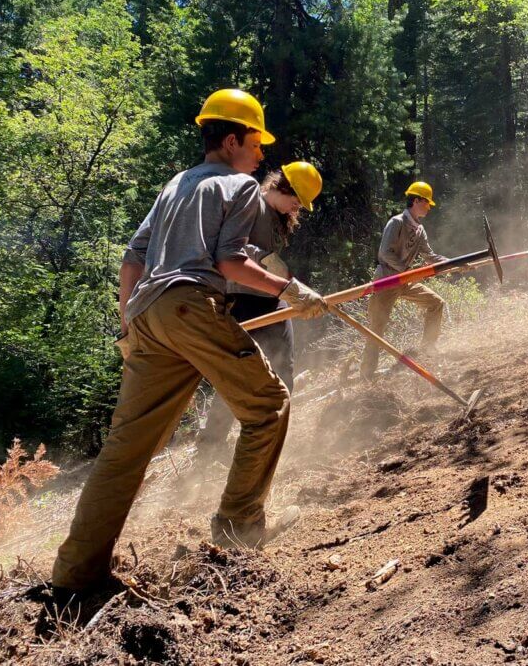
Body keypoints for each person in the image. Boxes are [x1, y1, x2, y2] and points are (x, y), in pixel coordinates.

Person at [51, 89, 327, 597]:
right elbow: (228, 264)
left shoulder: (176, 184)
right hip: (190, 303)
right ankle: (237, 529)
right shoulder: (239, 185)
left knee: (125, 449)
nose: (262, 154)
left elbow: (132, 259)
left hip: (148, 314)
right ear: (231, 140)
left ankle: (74, 574)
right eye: (256, 143)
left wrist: (127, 328)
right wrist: (291, 289)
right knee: (268, 406)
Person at [195, 162, 322, 469]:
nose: (297, 207)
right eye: (296, 199)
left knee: (284, 371)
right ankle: (210, 449)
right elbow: (232, 248)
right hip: (241, 299)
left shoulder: (278, 218)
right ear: (282, 187)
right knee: (236, 374)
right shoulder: (250, 202)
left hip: (271, 300)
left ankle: (273, 440)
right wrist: (267, 260)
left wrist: (286, 282)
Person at [360, 181, 446, 380]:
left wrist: (453, 263)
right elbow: (384, 253)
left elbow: (430, 256)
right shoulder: (396, 222)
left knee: (436, 303)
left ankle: (427, 348)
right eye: (426, 203)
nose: (429, 207)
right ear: (416, 200)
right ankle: (366, 375)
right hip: (386, 281)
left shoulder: (420, 230)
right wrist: (405, 270)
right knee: (376, 329)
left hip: (405, 281)